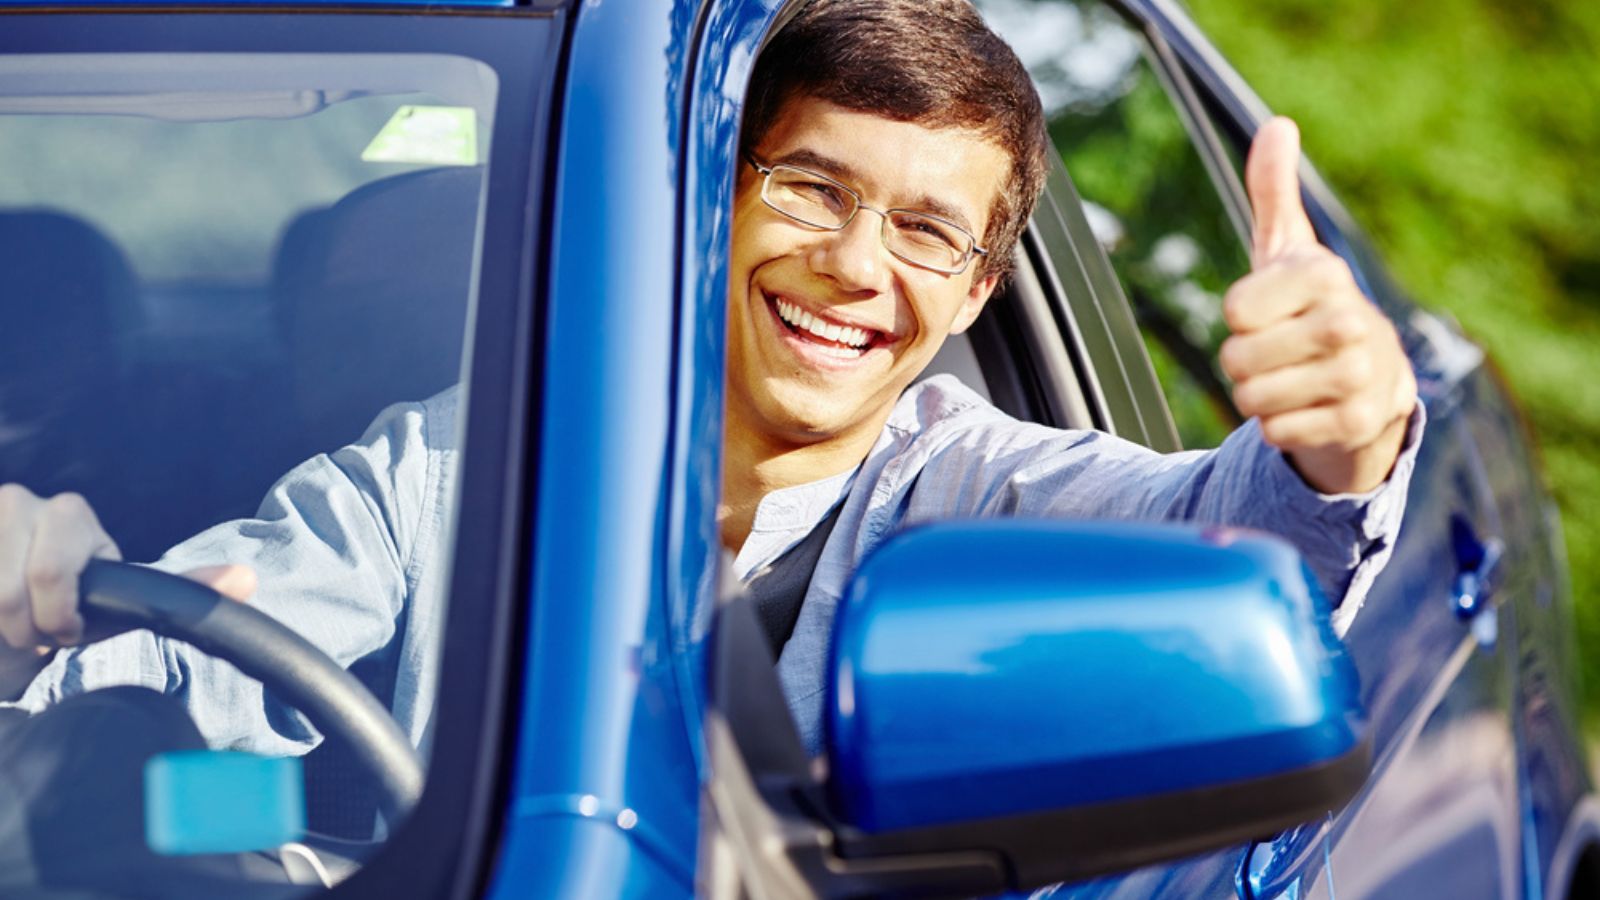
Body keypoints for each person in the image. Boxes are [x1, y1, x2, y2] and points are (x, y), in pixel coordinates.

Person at [0, 0, 1418, 763]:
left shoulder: (993, 488)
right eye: (811, 190)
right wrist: (37, 615)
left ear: (982, 290)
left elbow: (1244, 555)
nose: (859, 267)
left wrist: (1336, 451)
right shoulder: (450, 465)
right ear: (711, 203)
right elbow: (192, 655)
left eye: (927, 231)